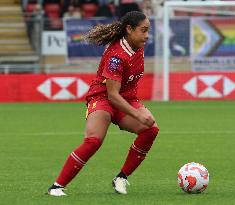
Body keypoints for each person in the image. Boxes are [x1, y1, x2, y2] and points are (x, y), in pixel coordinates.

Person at [47, 11, 159, 196]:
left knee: (151, 130)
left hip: (126, 99)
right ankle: (57, 187)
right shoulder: (116, 56)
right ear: (129, 29)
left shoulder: (137, 45)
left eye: (148, 30)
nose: (147, 35)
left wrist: (137, 110)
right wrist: (138, 113)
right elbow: (112, 95)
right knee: (93, 141)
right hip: (103, 98)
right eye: (144, 30)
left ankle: (121, 178)